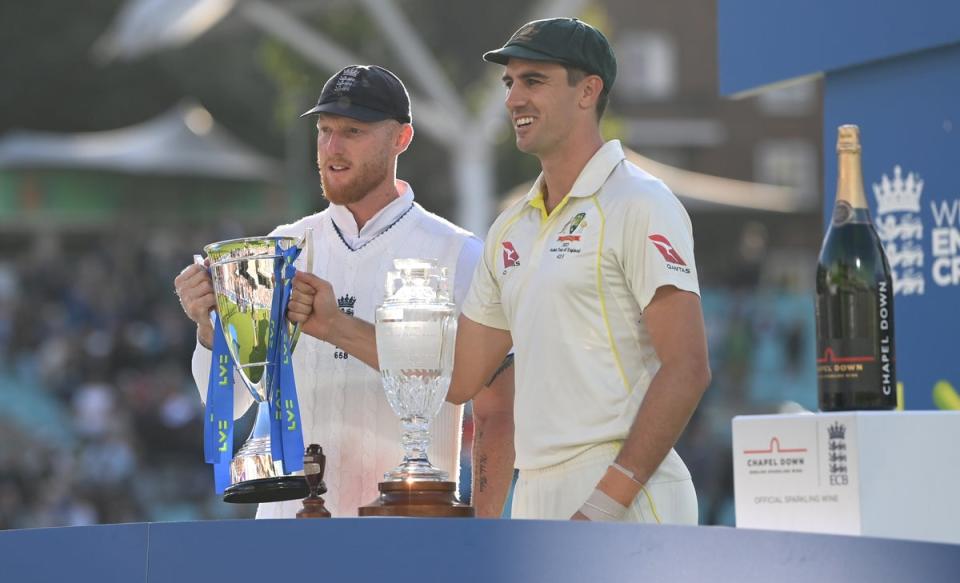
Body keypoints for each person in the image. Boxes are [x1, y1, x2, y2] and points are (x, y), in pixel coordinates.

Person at [174, 65, 510, 518]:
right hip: (288, 529)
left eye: (353, 131)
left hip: (407, 534)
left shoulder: (460, 255)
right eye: (325, 130)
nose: (332, 147)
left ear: (401, 139)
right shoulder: (279, 249)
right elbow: (232, 402)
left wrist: (481, 532)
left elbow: (495, 410)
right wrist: (209, 329)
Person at [446, 18, 711, 524]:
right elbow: (460, 379)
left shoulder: (641, 201)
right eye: (510, 83)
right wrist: (333, 322)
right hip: (535, 494)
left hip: (625, 495)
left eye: (534, 81)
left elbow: (688, 368)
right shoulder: (510, 228)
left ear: (588, 90)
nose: (513, 99)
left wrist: (605, 502)